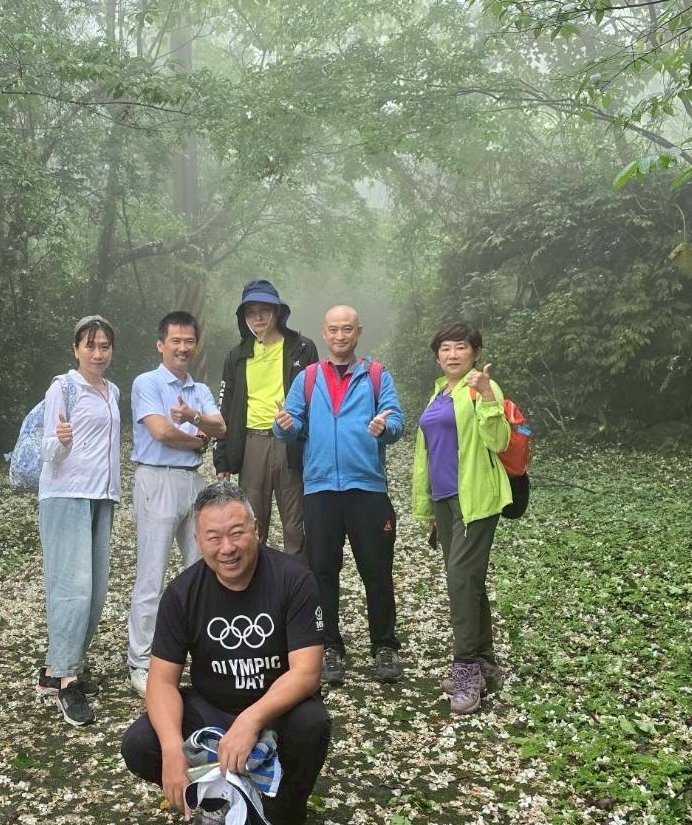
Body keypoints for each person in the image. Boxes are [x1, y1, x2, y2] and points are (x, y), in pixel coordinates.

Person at [120, 482, 330, 825]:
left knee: (312, 721)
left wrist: (253, 720)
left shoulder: (294, 579)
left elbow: (307, 672)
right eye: (213, 537)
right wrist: (171, 749)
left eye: (237, 533)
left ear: (256, 530)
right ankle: (216, 799)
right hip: (213, 711)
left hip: (276, 711)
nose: (227, 548)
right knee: (141, 742)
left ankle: (281, 818)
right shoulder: (183, 592)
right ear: (198, 541)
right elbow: (162, 680)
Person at [273, 304, 405, 687]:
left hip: (367, 487)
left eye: (347, 329)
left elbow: (396, 420)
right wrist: (283, 425)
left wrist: (385, 426)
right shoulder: (309, 378)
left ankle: (384, 645)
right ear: (324, 332)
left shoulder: (377, 375)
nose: (340, 336)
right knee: (322, 573)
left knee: (376, 571)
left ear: (358, 332)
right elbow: (292, 423)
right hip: (320, 489)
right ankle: (330, 647)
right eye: (333, 330)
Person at [411, 322, 512, 717]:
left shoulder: (481, 388)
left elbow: (500, 440)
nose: (452, 355)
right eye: (445, 349)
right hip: (444, 501)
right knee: (469, 580)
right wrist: (428, 508)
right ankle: (485, 659)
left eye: (460, 348)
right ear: (437, 355)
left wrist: (488, 398)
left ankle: (466, 667)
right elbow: (427, 453)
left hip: (475, 500)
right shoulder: (440, 391)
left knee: (459, 580)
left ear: (474, 352)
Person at [127, 311, 227, 697]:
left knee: (200, 569)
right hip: (157, 477)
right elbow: (162, 431)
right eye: (175, 341)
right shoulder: (147, 383)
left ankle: (199, 653)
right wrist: (198, 439)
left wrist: (197, 420)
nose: (183, 347)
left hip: (192, 482)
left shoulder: (198, 389)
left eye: (189, 341)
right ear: (160, 344)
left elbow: (221, 426)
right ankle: (141, 660)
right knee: (151, 574)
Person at [36, 314, 122, 727]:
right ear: (76, 349)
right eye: (90, 345)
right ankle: (66, 678)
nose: (98, 353)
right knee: (73, 589)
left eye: (104, 346)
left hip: (101, 496)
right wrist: (60, 440)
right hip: (65, 495)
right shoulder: (64, 387)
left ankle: (60, 664)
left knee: (97, 591)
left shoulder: (113, 391)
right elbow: (47, 449)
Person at [213, 279, 318, 557]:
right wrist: (222, 458)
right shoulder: (237, 356)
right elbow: (225, 408)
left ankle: (297, 588)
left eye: (264, 310)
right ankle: (256, 590)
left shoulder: (302, 348)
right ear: (243, 317)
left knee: (295, 524)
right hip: (251, 444)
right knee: (252, 524)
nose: (258, 317)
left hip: (291, 443)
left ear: (277, 311)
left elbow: (317, 399)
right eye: (250, 312)